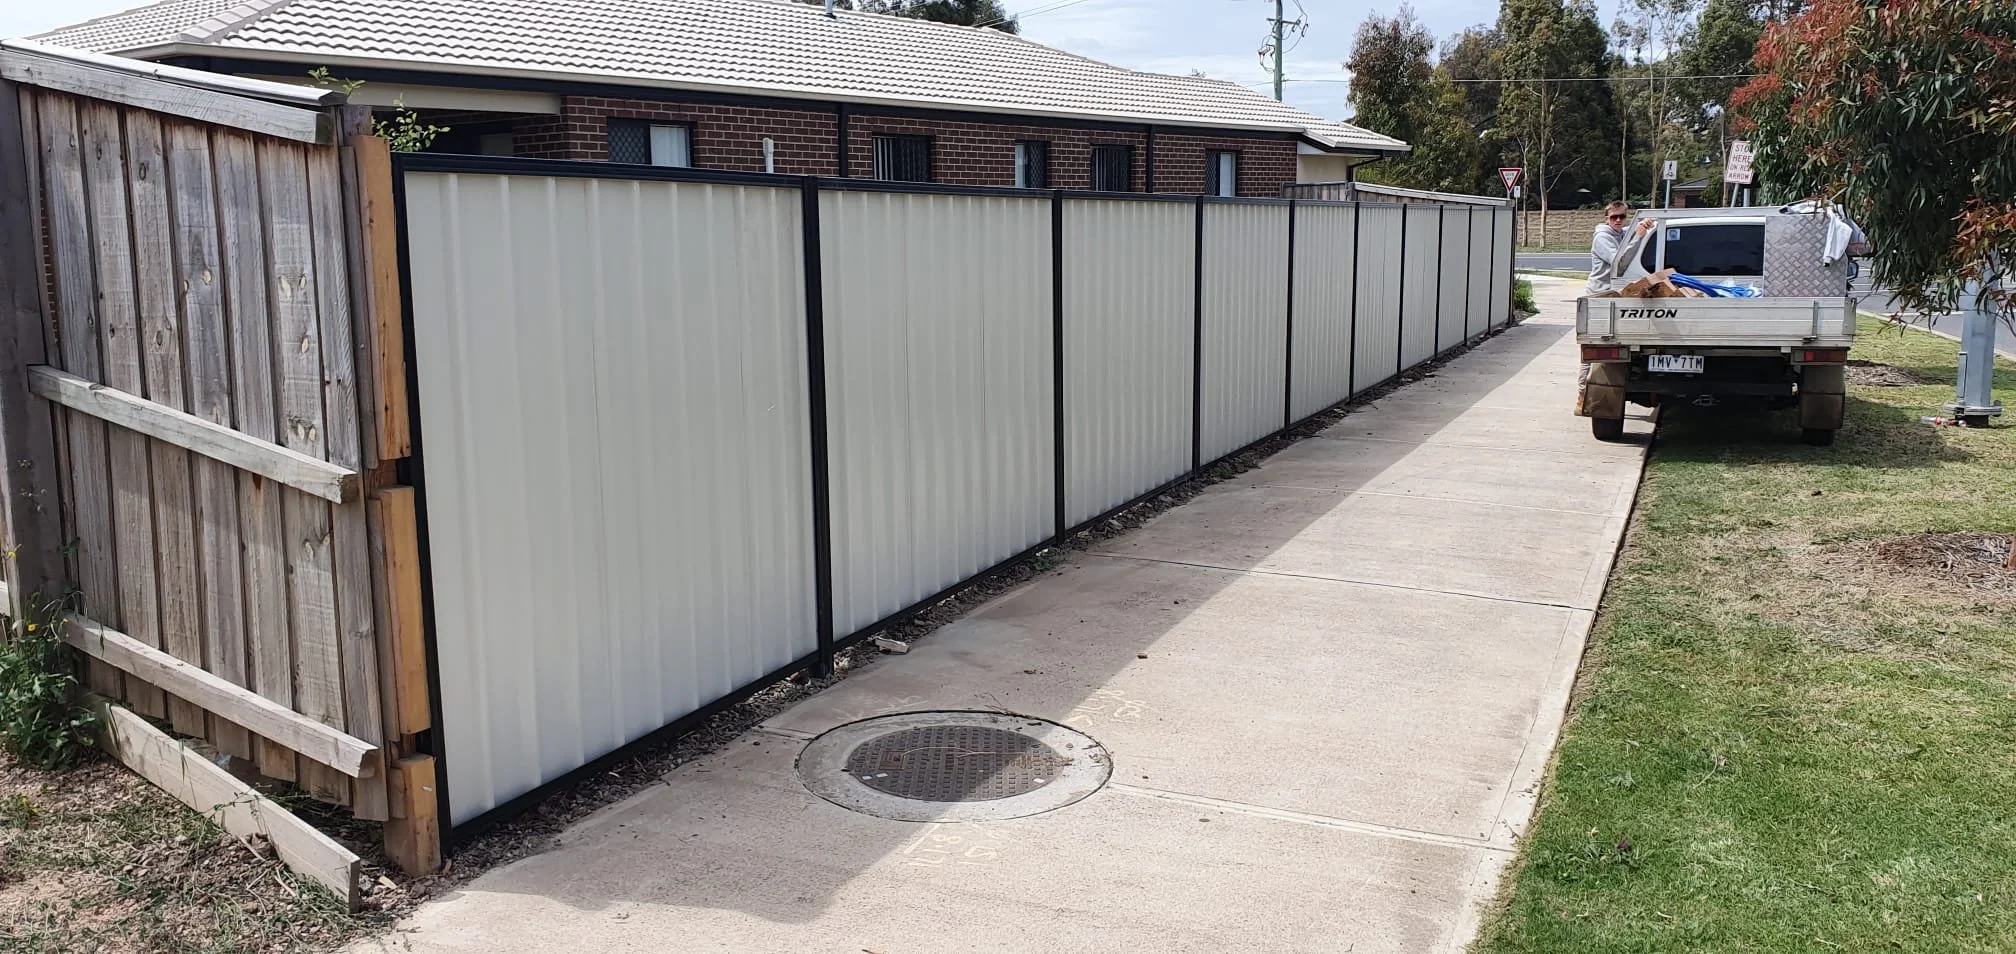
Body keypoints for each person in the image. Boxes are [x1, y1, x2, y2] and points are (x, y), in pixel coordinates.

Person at [1588, 200, 1657, 294]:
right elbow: (1619, 264)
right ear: (1606, 219)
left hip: (1614, 289)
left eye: (1622, 216)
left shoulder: (1621, 233)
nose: (1618, 220)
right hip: (1601, 292)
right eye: (1614, 217)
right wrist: (1638, 237)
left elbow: (1632, 229)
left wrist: (1645, 223)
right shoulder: (1602, 238)